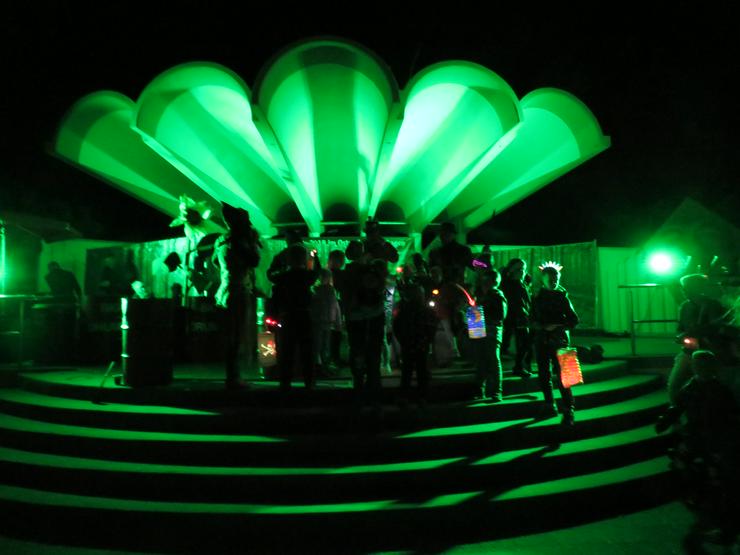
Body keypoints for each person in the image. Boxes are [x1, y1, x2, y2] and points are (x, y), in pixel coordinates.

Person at [656, 350, 740, 552]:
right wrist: (666, 419)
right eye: (697, 365)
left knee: (721, 483)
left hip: (715, 441)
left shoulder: (719, 391)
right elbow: (678, 405)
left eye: (703, 366)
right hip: (698, 438)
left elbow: (731, 416)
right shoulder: (692, 388)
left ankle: (721, 522)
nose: (699, 369)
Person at [212, 203, 261, 389]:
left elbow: (214, 261)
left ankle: (232, 375)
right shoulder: (239, 241)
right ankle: (233, 377)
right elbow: (254, 260)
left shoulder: (221, 241)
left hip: (224, 291)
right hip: (238, 291)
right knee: (237, 334)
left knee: (230, 334)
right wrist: (253, 243)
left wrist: (228, 271)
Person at [667, 273, 733, 404]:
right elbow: (680, 327)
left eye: (688, 287)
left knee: (718, 386)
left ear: (698, 288)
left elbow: (715, 328)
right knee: (674, 385)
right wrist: (680, 336)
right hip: (690, 350)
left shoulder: (712, 305)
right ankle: (675, 414)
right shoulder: (685, 306)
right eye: (684, 287)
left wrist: (693, 333)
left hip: (710, 351)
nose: (684, 290)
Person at [531, 262, 579, 426]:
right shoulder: (537, 297)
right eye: (550, 278)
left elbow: (574, 320)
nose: (554, 281)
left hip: (559, 340)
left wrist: (558, 327)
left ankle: (568, 409)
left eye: (556, 278)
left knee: (564, 375)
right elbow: (532, 318)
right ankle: (549, 404)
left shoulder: (562, 297)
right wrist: (539, 326)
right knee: (544, 374)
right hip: (542, 340)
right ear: (543, 279)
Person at [270, 244, 320, 391]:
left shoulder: (282, 278)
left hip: (286, 316)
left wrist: (277, 259)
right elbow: (316, 271)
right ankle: (309, 381)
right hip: (304, 314)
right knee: (307, 350)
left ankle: (285, 382)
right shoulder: (307, 276)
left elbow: (271, 275)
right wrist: (314, 257)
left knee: (286, 350)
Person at [393, 283, 437, 405]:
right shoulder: (423, 310)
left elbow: (397, 327)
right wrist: (426, 340)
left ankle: (407, 396)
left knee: (410, 372)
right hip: (418, 345)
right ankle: (420, 397)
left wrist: (404, 341)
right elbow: (431, 327)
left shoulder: (406, 310)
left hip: (412, 345)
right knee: (418, 372)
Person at [471, 270, 507, 402]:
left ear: (494, 282)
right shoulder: (479, 295)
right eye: (483, 281)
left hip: (491, 330)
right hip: (479, 328)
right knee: (480, 360)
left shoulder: (497, 295)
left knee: (493, 360)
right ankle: (480, 390)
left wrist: (479, 312)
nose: (484, 284)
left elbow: (500, 317)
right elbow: (474, 313)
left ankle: (497, 391)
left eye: (487, 281)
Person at [500, 258, 534, 379]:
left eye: (524, 269)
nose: (523, 271)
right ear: (512, 270)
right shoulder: (508, 284)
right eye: (519, 269)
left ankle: (521, 366)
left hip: (521, 318)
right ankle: (519, 367)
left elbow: (526, 301)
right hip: (515, 318)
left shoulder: (521, 284)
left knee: (525, 343)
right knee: (523, 343)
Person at [311, 268, 342, 376]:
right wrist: (337, 321)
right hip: (323, 321)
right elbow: (335, 306)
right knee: (321, 345)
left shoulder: (319, 290)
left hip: (323, 321)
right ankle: (321, 367)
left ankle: (322, 367)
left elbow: (335, 306)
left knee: (322, 345)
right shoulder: (322, 291)